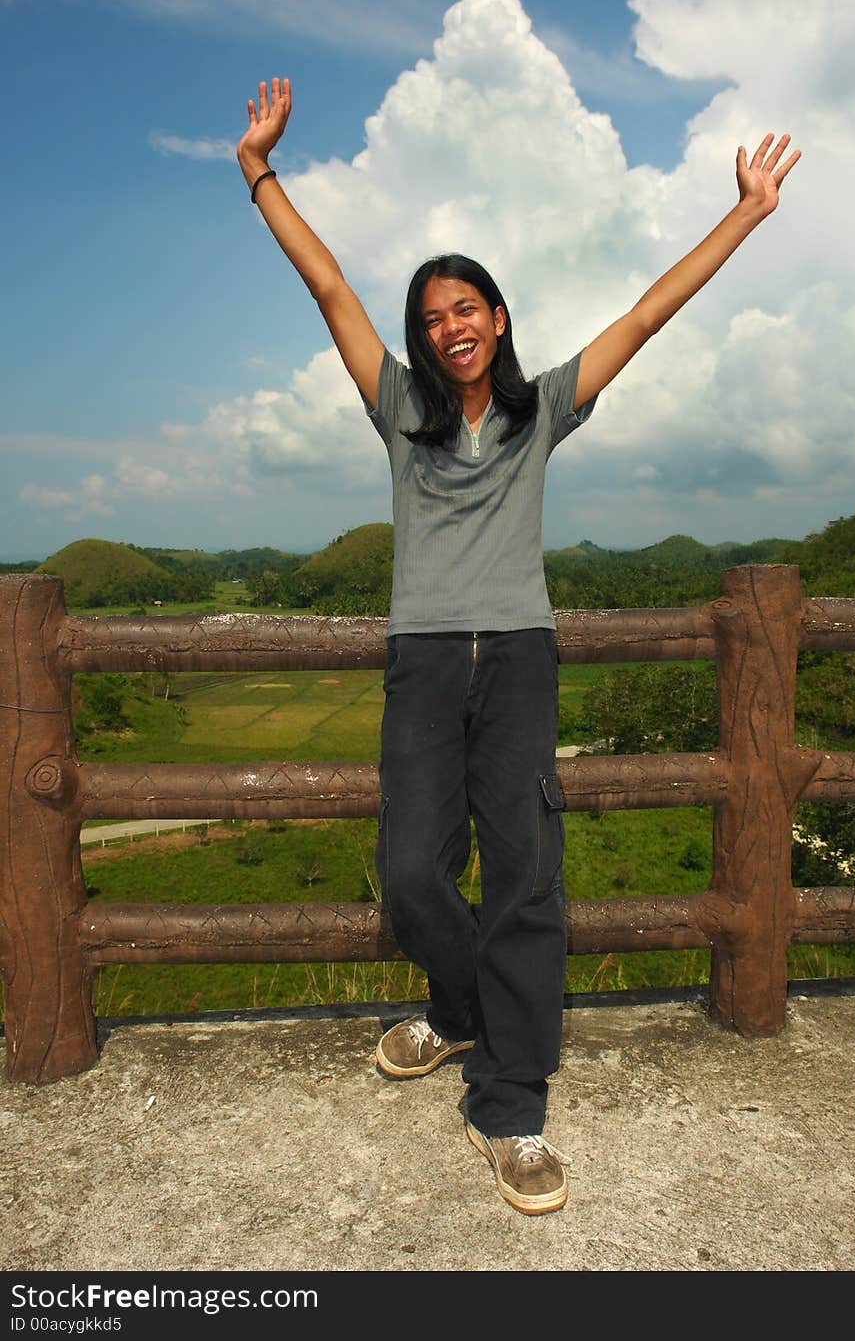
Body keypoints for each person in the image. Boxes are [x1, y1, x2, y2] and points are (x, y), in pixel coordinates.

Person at [237, 76, 800, 1215]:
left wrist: (743, 213)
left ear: (496, 318)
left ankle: (513, 1105)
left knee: (526, 875)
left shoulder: (545, 408)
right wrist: (258, 170)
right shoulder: (397, 408)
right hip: (427, 657)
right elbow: (327, 283)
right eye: (432, 315)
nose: (449, 326)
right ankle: (461, 1006)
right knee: (409, 874)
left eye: (466, 309)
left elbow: (645, 314)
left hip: (523, 658)